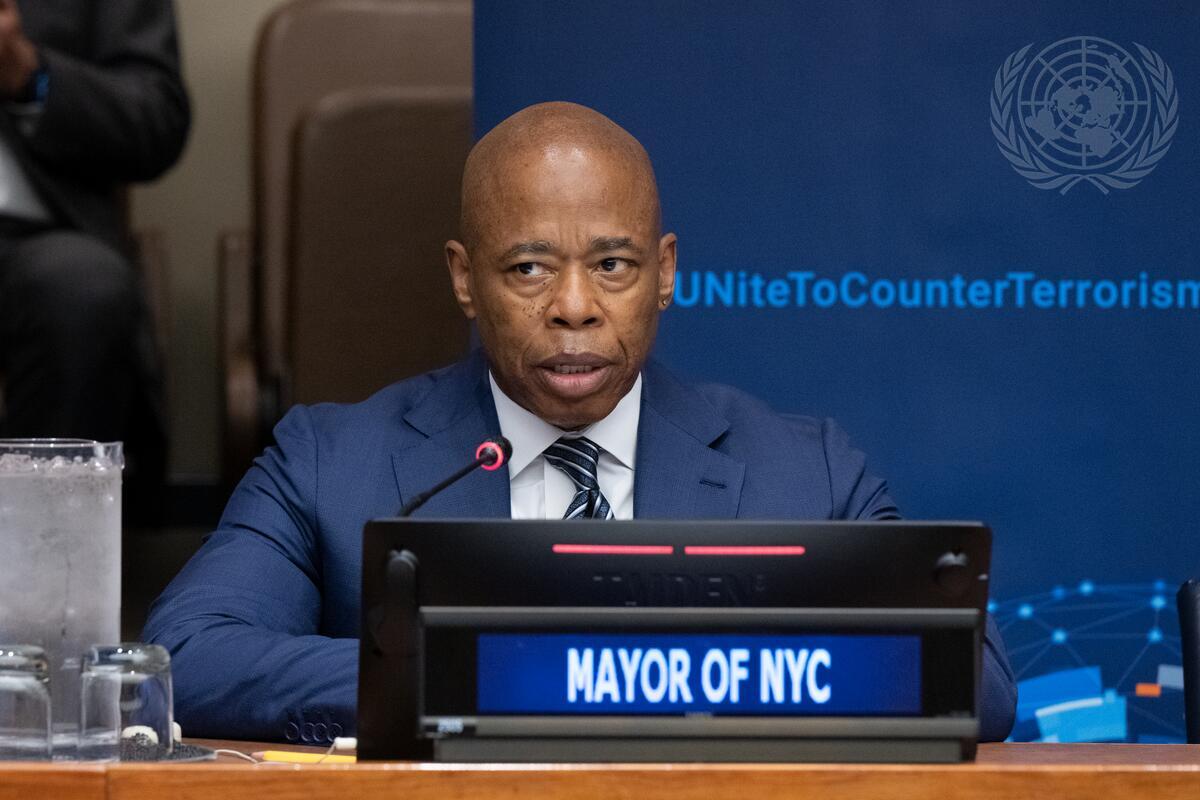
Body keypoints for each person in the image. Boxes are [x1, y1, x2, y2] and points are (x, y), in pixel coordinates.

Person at [144, 102, 1017, 744]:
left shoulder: (804, 470)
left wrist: (647, 672)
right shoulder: (330, 462)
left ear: (665, 271)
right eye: (529, 268)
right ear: (464, 278)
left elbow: (972, 679)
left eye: (613, 265)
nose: (574, 306)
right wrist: (490, 667)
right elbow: (183, 656)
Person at [0, 0, 190, 497]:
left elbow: (155, 118)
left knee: (84, 289)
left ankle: (44, 537)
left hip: (35, 241)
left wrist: (26, 71)